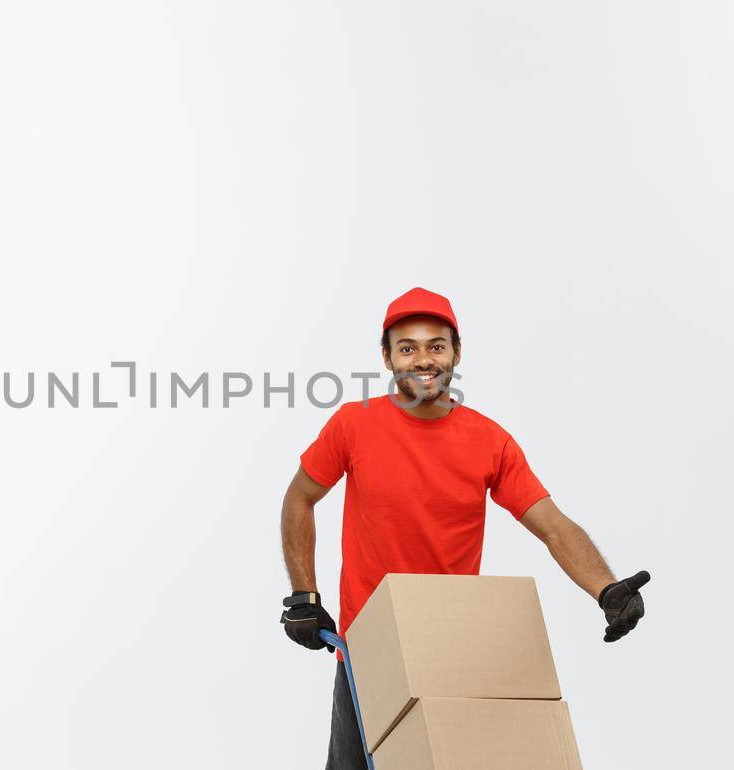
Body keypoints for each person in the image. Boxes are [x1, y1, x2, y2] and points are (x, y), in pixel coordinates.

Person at [278, 287, 651, 769]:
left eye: (436, 346)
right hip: (369, 647)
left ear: (456, 352)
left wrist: (606, 589)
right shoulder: (355, 425)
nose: (423, 359)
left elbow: (553, 525)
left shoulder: (489, 441)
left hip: (453, 645)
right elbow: (299, 499)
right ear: (387, 357)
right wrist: (304, 597)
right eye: (407, 347)